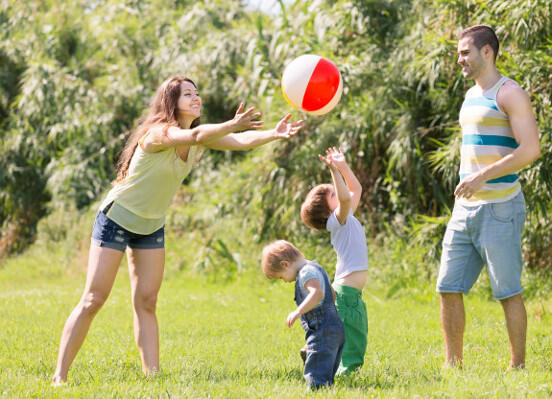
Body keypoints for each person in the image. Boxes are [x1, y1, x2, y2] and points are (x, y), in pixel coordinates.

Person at [51, 76, 304, 386]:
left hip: (150, 225)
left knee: (147, 300)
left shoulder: (191, 137)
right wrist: (233, 123)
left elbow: (238, 142)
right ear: (171, 102)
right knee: (94, 298)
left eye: (197, 93)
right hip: (116, 219)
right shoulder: (157, 134)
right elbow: (200, 134)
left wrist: (273, 134)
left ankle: (152, 377)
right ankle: (59, 376)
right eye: (187, 94)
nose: (195, 98)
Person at [436, 25, 541, 369]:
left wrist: (482, 176)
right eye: (458, 53)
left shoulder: (510, 93)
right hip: (464, 209)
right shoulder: (469, 96)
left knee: (507, 291)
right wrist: (470, 180)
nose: (460, 59)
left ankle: (518, 366)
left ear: (487, 52)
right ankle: (454, 364)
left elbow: (530, 150)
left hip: (501, 208)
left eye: (465, 52)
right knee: (447, 286)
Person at [300, 147, 368, 375]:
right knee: (354, 336)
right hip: (347, 292)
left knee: (346, 332)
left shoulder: (345, 218)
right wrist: (334, 171)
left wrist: (342, 165)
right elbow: (347, 196)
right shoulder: (336, 222)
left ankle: (316, 351)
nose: (338, 194)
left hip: (348, 292)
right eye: (332, 195)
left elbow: (355, 189)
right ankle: (345, 372)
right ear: (327, 213)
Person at [261, 240, 345, 390]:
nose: (285, 281)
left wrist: (298, 311)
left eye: (281, 277)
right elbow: (331, 294)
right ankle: (325, 390)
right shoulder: (317, 268)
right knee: (326, 372)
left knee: (316, 376)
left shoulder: (306, 272)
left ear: (285, 264)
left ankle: (315, 392)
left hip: (322, 330)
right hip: (335, 328)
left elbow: (317, 293)